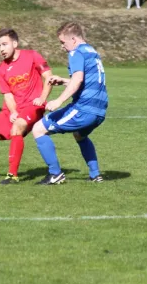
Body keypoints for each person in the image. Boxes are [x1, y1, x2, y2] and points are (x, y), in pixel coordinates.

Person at [0, 28, 53, 185]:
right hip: (12, 110)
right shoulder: (2, 68)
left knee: (17, 128)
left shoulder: (32, 55)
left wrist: (42, 98)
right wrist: (12, 111)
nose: (1, 49)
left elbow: (48, 76)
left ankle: (12, 175)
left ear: (15, 43)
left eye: (4, 44)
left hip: (33, 106)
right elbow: (7, 94)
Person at [32, 22, 108, 185]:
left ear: (73, 39)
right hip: (100, 111)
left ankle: (55, 174)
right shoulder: (92, 51)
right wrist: (64, 80)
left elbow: (78, 79)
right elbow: (84, 82)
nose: (62, 47)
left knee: (38, 129)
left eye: (62, 42)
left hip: (84, 109)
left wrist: (58, 101)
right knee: (80, 135)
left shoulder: (76, 53)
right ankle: (95, 175)